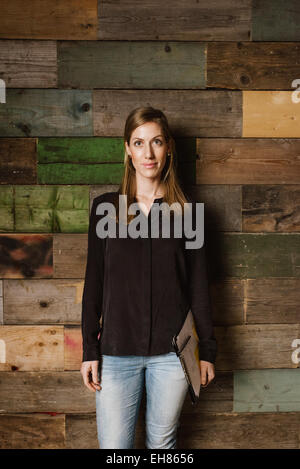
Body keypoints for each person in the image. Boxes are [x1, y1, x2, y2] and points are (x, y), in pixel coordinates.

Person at [80, 106, 217, 449]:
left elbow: (199, 287)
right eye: (139, 143)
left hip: (172, 356)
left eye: (156, 142)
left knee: (162, 445)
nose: (148, 153)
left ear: (168, 146)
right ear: (127, 148)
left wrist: (208, 351)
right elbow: (94, 282)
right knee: (115, 447)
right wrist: (89, 349)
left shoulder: (189, 213)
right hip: (114, 353)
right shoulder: (105, 209)